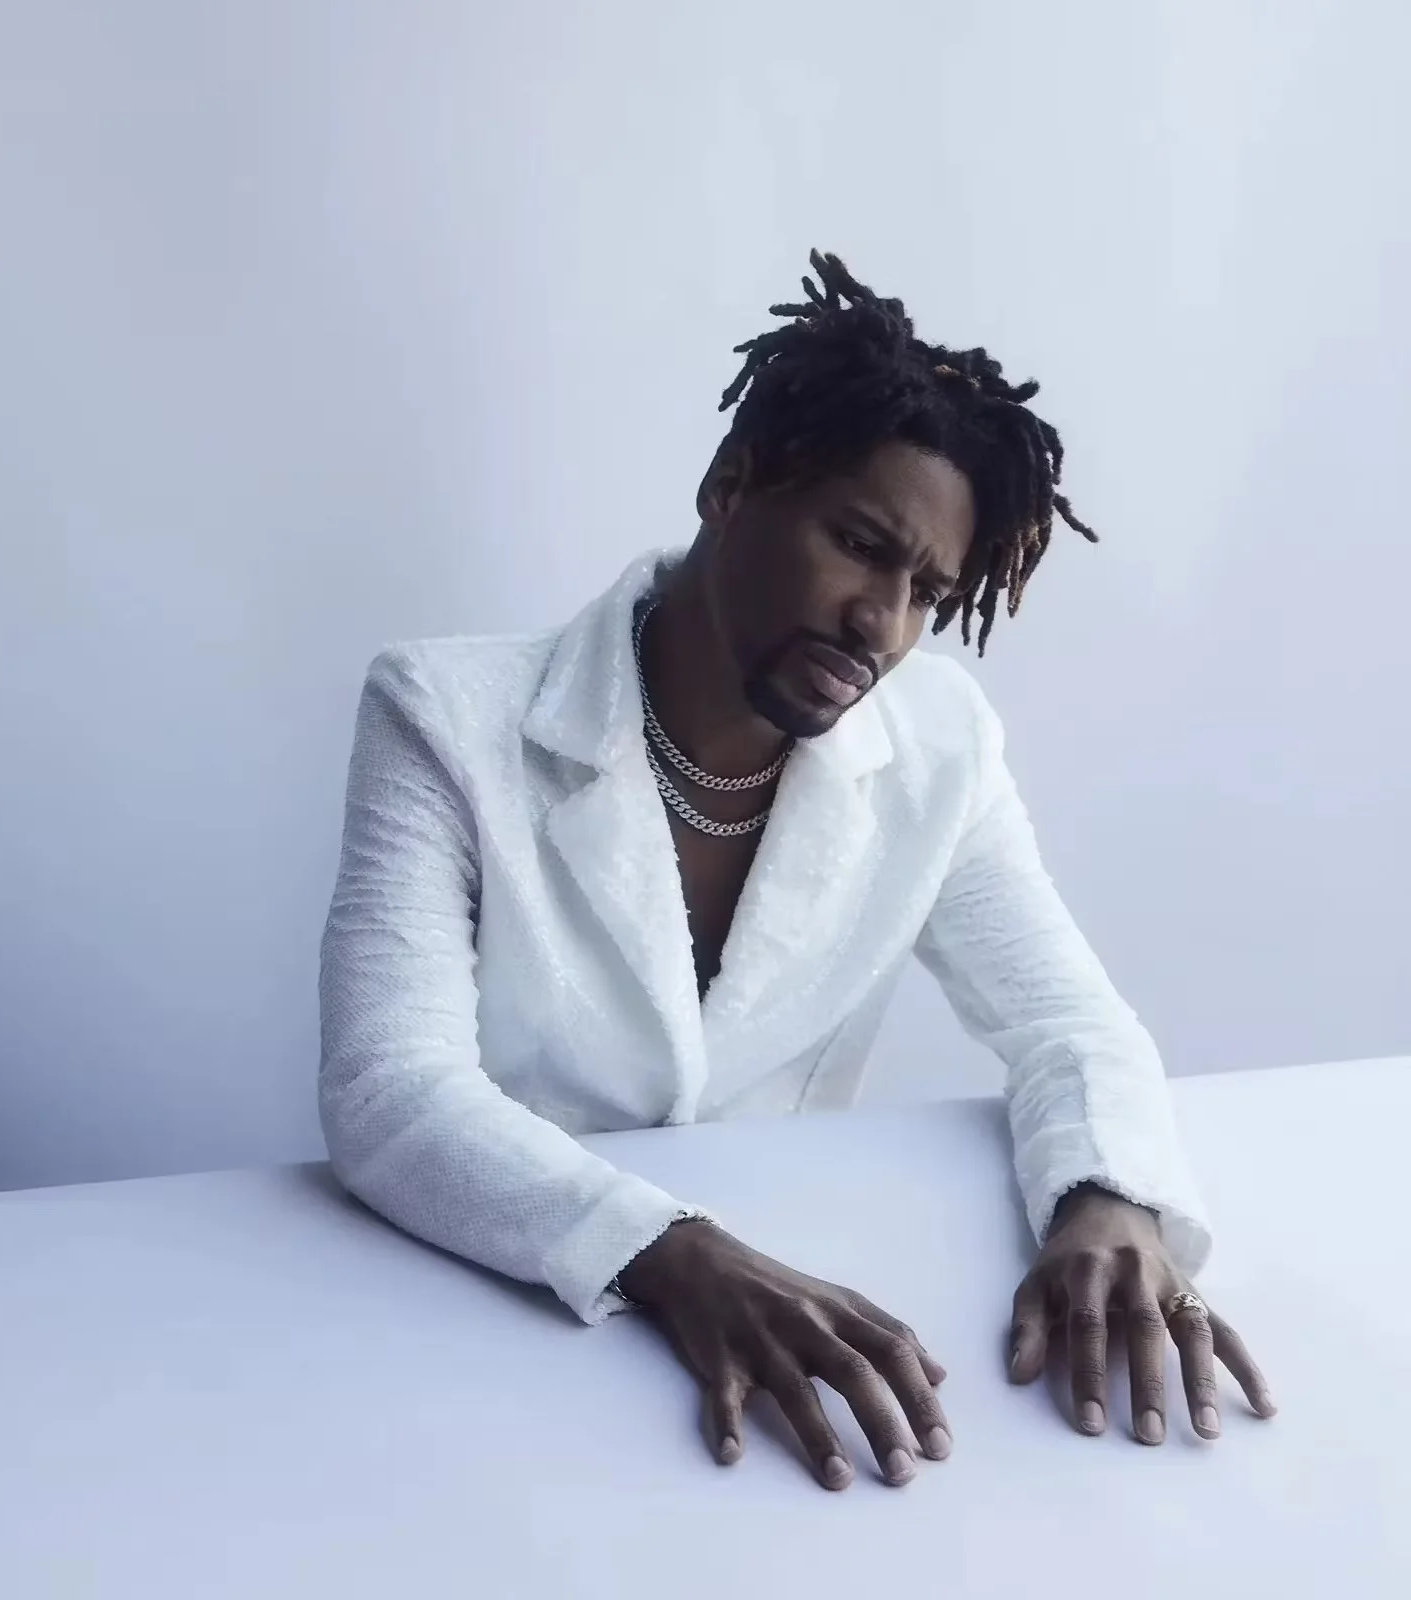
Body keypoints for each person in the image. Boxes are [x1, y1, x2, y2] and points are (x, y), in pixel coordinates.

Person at [318, 250, 1275, 1491]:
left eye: (926, 591)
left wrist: (1107, 1196)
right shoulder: (445, 715)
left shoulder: (938, 746)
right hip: (491, 1313)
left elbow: (1067, 1021)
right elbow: (391, 1092)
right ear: (729, 486)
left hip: (797, 1331)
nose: (883, 622)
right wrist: (672, 1253)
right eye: (859, 544)